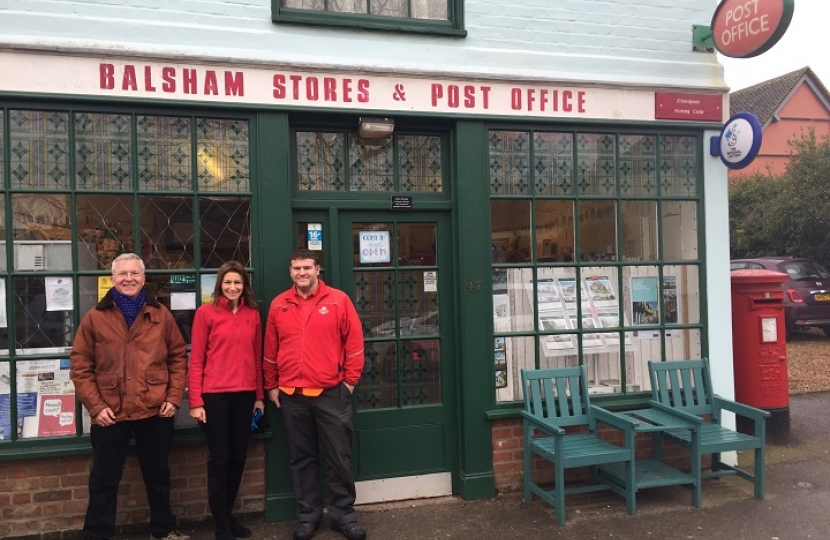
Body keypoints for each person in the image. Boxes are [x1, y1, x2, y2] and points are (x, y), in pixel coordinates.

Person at [70, 253, 190, 540]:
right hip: (110, 412)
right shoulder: (95, 318)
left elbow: (177, 357)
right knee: (103, 480)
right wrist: (96, 407)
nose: (129, 278)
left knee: (158, 476)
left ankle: (163, 530)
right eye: (122, 274)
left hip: (155, 409)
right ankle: (97, 535)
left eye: (134, 274)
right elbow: (80, 365)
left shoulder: (161, 315)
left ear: (143, 278)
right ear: (112, 279)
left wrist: (173, 399)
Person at [264, 249, 366, 540]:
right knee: (301, 458)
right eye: (296, 268)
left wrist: (349, 383)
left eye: (307, 267)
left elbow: (355, 344)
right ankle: (308, 517)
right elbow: (270, 350)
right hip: (292, 395)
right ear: (290, 271)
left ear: (317, 269)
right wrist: (271, 384)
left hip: (331, 393)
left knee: (338, 457)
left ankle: (343, 516)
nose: (302, 273)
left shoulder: (338, 300)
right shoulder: (278, 305)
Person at [188, 261, 264, 540]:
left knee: (237, 457)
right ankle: (220, 523)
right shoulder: (205, 314)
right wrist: (195, 401)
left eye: (238, 283)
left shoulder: (252, 314)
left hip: (244, 395)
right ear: (220, 284)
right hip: (215, 397)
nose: (233, 287)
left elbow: (257, 358)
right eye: (228, 282)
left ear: (245, 286)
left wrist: (259, 397)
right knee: (219, 460)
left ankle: (228, 514)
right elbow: (196, 360)